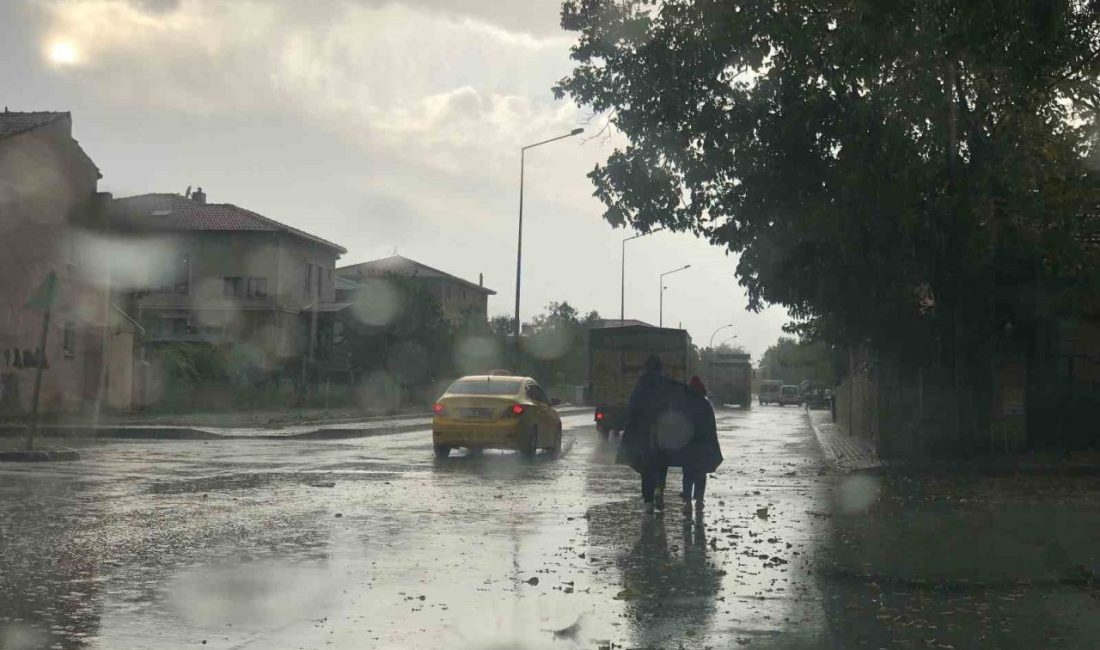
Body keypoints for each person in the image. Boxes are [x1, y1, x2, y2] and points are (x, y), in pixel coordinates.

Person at [617, 354, 671, 513]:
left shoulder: (642, 382)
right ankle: (659, 490)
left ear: (646, 366)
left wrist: (628, 426)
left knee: (646, 467)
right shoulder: (665, 383)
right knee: (662, 463)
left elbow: (633, 405)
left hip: (644, 432)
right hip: (663, 431)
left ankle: (648, 502)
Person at [671, 376, 723, 514]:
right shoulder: (706, 405)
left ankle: (687, 502)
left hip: (688, 446)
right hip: (703, 446)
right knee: (701, 474)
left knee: (687, 474)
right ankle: (699, 501)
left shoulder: (684, 405)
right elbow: (712, 428)